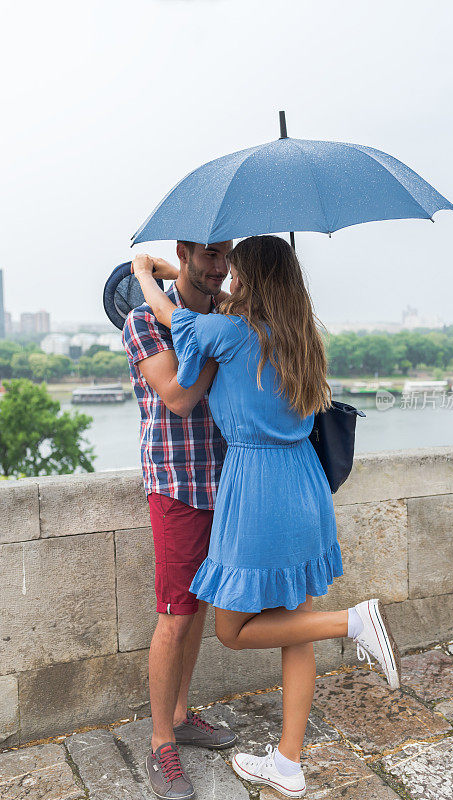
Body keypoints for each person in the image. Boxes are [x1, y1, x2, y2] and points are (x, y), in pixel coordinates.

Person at [133, 235, 401, 799]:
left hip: (255, 488)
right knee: (293, 625)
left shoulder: (229, 333)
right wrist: (166, 265)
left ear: (250, 277)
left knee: (232, 630)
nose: (226, 275)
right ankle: (288, 761)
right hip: (305, 482)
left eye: (235, 268)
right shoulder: (299, 336)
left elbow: (175, 318)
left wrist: (141, 275)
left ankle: (353, 622)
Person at [123, 240, 238, 800]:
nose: (219, 267)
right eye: (209, 256)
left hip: (228, 480)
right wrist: (217, 343)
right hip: (176, 484)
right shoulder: (145, 320)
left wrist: (215, 320)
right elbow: (177, 395)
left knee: (198, 608)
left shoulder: (225, 314)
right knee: (174, 613)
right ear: (185, 253)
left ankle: (185, 714)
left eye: (226, 256)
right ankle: (160, 743)